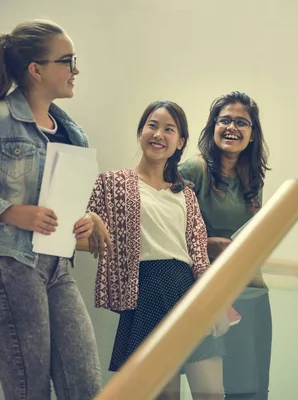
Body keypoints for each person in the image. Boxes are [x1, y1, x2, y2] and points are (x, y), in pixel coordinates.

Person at [0, 20, 108, 400]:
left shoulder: (73, 133)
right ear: (36, 69)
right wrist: (8, 211)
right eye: (68, 61)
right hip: (4, 265)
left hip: (57, 267)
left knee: (87, 388)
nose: (76, 70)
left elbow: (61, 201)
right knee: (30, 392)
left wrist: (87, 218)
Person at [87, 100, 230, 400]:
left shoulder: (186, 193)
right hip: (147, 291)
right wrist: (89, 217)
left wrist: (215, 304)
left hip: (189, 291)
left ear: (180, 142)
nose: (158, 134)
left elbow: (199, 255)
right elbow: (83, 219)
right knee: (166, 395)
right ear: (141, 131)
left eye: (169, 129)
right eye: (152, 125)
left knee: (212, 393)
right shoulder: (112, 184)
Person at [179, 91, 272, 400]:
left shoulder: (252, 177)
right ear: (213, 126)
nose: (232, 128)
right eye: (225, 120)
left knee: (254, 386)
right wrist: (208, 244)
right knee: (223, 388)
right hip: (213, 294)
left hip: (253, 290)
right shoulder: (193, 170)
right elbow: (167, 228)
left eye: (241, 123)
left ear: (252, 134)